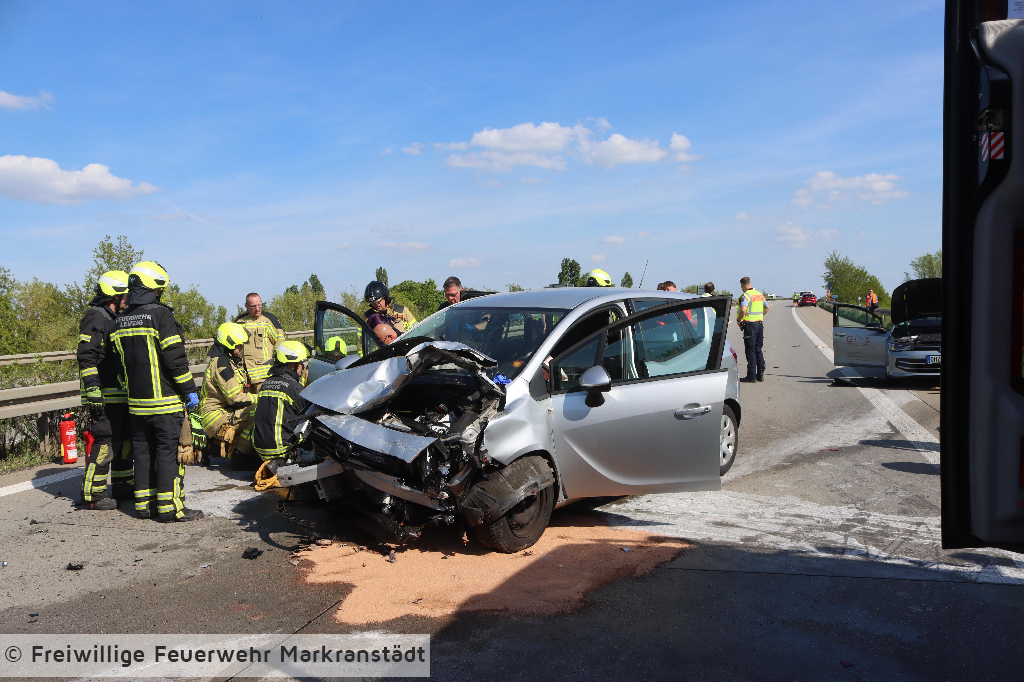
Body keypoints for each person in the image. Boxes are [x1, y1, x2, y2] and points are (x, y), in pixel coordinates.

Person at [111, 262, 203, 522]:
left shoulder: (119, 321)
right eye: (159, 289)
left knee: (142, 453)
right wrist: (189, 390)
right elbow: (175, 360)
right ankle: (169, 509)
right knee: (166, 454)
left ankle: (144, 506)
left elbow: (118, 365)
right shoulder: (161, 315)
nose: (160, 294)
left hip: (136, 405)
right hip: (165, 403)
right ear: (153, 287)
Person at [77, 270, 133, 510]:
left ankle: (122, 487)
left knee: (123, 443)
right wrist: (92, 390)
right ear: (115, 295)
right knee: (105, 444)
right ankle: (94, 494)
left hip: (119, 395)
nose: (128, 299)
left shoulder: (114, 318)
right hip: (103, 396)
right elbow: (86, 356)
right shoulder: (96, 316)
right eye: (125, 295)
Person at [199, 322, 257, 467]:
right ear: (229, 344)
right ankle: (240, 455)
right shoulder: (222, 365)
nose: (241, 347)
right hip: (216, 416)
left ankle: (216, 445)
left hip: (222, 411)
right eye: (239, 344)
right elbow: (235, 399)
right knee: (258, 411)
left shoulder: (227, 360)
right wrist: (260, 398)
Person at [253, 341, 311, 462]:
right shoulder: (294, 388)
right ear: (291, 365)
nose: (303, 368)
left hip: (260, 450)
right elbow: (308, 412)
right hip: (282, 450)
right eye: (301, 364)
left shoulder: (265, 384)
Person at [235, 293, 283, 392]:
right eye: (253, 306)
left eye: (259, 305)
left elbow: (279, 342)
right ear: (246, 306)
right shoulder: (239, 322)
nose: (257, 309)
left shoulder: (268, 320)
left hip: (263, 376)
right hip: (244, 376)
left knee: (262, 400)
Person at [737, 277, 769, 383]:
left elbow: (743, 309)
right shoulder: (759, 295)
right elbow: (767, 307)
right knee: (758, 349)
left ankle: (751, 376)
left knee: (750, 350)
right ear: (750, 283)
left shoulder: (745, 296)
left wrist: (739, 319)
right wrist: (759, 316)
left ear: (742, 285)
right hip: (759, 324)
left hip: (750, 326)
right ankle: (760, 373)